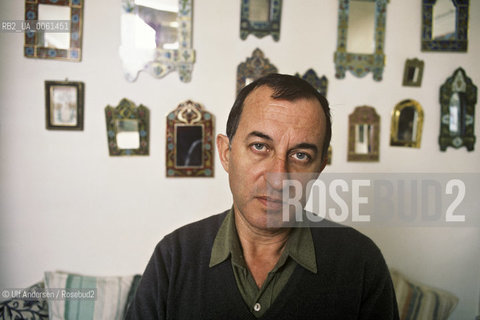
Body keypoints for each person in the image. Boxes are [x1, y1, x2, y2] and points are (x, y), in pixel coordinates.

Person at [126, 73, 399, 319]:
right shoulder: (174, 257)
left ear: (318, 169)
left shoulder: (361, 263)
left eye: (300, 155)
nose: (278, 177)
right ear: (226, 153)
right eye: (260, 146)